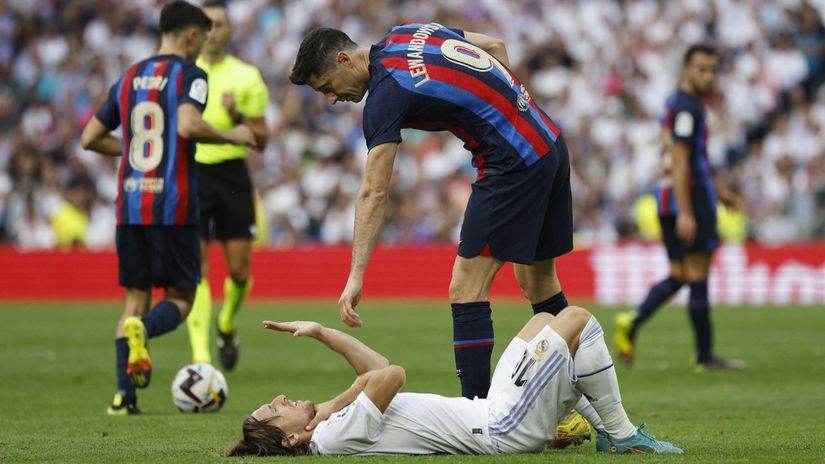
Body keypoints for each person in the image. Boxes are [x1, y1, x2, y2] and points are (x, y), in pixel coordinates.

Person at [289, 24, 575, 405]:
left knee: (465, 288)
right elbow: (495, 44)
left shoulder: (384, 96)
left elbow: (374, 190)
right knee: (540, 287)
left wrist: (355, 276)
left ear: (344, 59)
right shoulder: (406, 33)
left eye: (326, 86)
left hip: (513, 163)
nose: (331, 98)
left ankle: (479, 418)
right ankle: (591, 409)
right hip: (548, 141)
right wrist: (509, 110)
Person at [80, 0, 256, 415]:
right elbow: (189, 125)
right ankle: (146, 330)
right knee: (181, 298)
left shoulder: (129, 76)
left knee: (133, 300)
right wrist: (234, 137)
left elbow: (89, 137)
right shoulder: (190, 75)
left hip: (129, 205)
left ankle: (124, 397)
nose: (202, 47)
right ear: (191, 35)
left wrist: (138, 150)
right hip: (173, 204)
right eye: (202, 38)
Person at [224, 307, 683, 456]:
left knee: (544, 318)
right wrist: (327, 406)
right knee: (579, 321)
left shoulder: (329, 425)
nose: (280, 398)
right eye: (274, 408)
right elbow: (391, 374)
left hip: (493, 411)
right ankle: (621, 435)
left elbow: (375, 368)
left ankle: (604, 431)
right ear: (288, 439)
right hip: (501, 429)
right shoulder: (331, 436)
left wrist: (323, 333)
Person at [614, 45, 743, 370]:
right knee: (698, 275)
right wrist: (687, 210)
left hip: (667, 199)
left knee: (680, 274)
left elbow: (690, 160)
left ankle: (633, 319)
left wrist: (719, 188)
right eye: (701, 69)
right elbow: (684, 161)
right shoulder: (688, 108)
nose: (708, 76)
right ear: (686, 69)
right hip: (689, 201)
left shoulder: (677, 104)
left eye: (712, 69)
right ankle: (704, 356)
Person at [185, 0, 269, 371]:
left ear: (230, 31)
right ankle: (202, 358)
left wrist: (237, 115)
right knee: (197, 268)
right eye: (207, 25)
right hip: (193, 172)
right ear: (196, 32)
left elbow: (261, 139)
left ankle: (227, 323)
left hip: (232, 174)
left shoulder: (246, 76)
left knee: (239, 272)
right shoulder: (184, 73)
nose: (213, 31)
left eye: (219, 25)